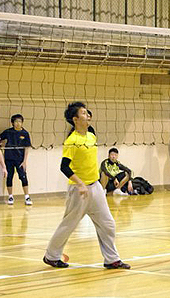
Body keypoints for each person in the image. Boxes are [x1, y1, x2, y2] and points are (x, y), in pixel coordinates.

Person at [44, 102, 130, 269]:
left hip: (95, 186)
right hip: (79, 190)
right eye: (83, 113)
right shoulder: (71, 141)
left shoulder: (91, 136)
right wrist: (80, 184)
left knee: (107, 223)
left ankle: (112, 259)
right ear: (75, 119)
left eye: (87, 112)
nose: (87, 115)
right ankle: (51, 256)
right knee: (69, 224)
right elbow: (64, 167)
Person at [0, 114, 33, 206]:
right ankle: (10, 196)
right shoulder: (8, 132)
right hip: (9, 159)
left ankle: (27, 197)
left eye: (20, 121)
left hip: (20, 160)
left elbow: (27, 147)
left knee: (23, 177)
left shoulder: (25, 133)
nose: (18, 123)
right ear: (12, 123)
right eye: (16, 121)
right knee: (9, 177)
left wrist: (25, 161)